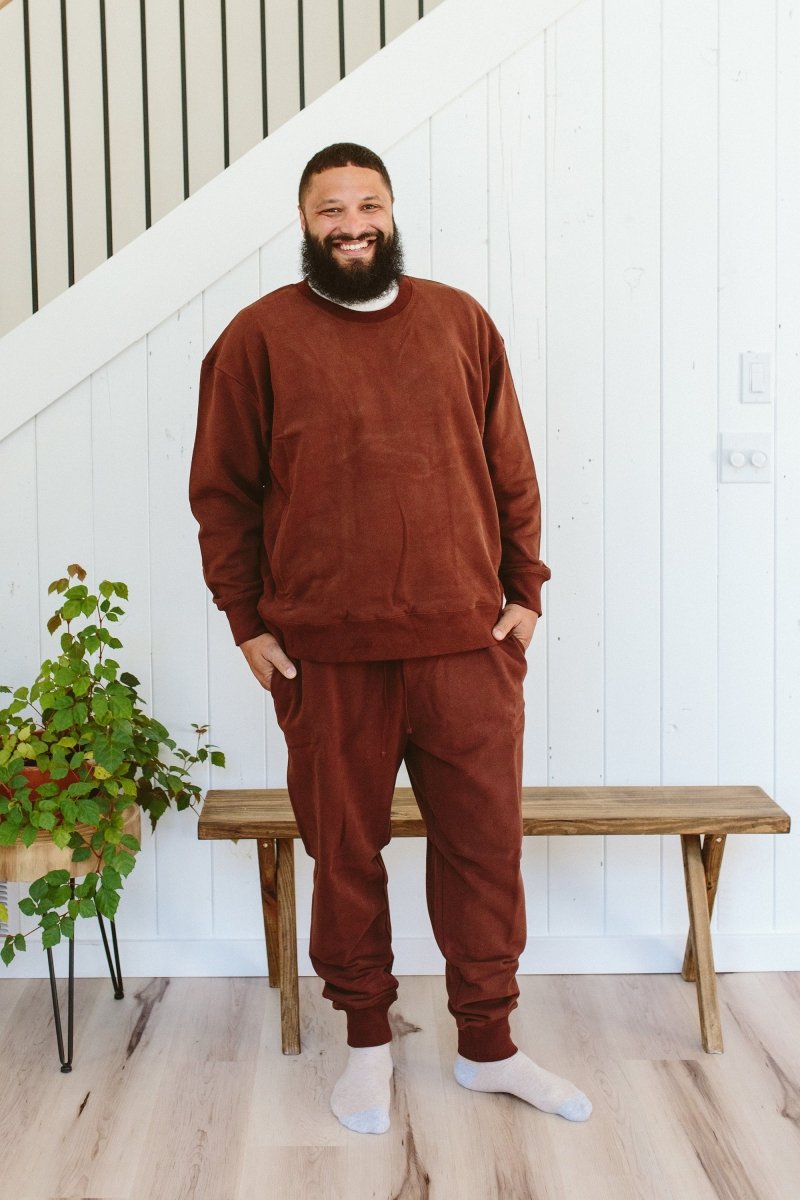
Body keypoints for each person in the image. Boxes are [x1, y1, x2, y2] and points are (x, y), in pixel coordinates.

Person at [188, 142, 592, 1135]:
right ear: (303, 223)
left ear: (393, 210)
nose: (352, 224)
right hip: (325, 655)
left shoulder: (460, 322)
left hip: (466, 645)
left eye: (367, 204)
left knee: (484, 849)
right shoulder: (257, 339)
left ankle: (489, 1046)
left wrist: (525, 594)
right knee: (344, 854)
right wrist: (246, 623)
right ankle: (367, 1044)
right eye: (331, 209)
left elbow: (510, 469)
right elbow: (223, 494)